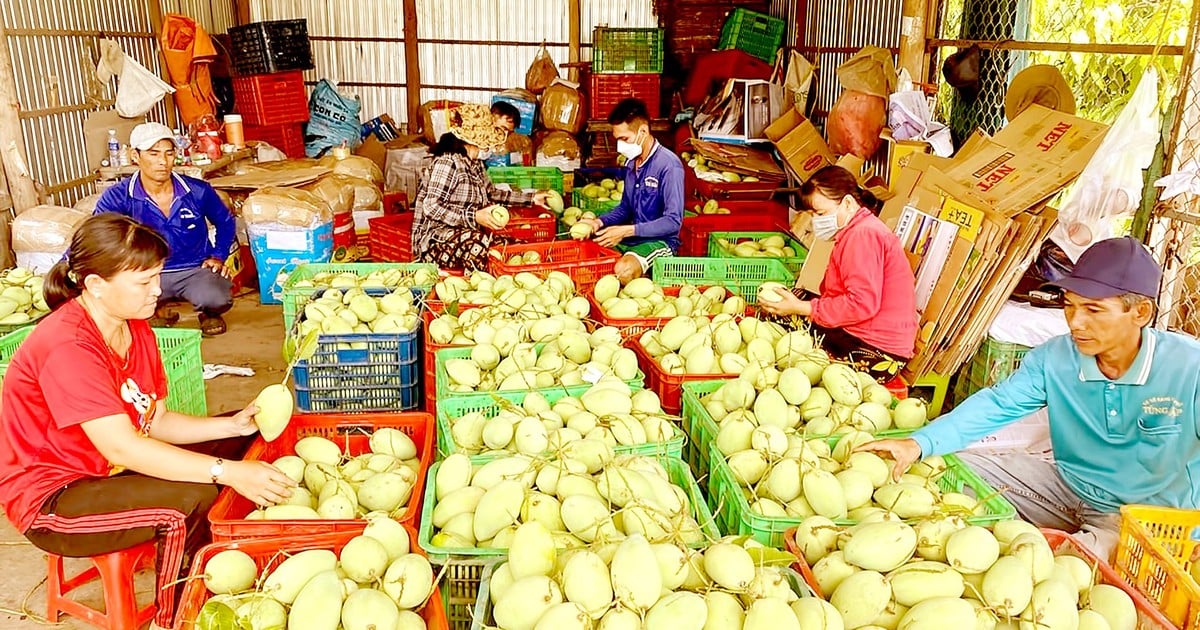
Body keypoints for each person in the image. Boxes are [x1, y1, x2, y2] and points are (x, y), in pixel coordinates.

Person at [0, 213, 295, 630]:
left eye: (157, 277)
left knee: (242, 441)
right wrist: (225, 472)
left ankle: (233, 553)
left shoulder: (136, 328)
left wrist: (232, 428)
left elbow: (152, 420)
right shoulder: (67, 345)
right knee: (190, 503)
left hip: (109, 470)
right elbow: (122, 446)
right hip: (53, 499)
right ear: (96, 286)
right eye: (144, 282)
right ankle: (174, 618)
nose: (157, 290)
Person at [862, 236, 1200, 559]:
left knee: (1074, 564)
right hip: (1065, 486)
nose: (1075, 323)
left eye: (1093, 310)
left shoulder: (1189, 367)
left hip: (1138, 518)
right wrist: (919, 443)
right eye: (1070, 306)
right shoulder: (1056, 358)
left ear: (1140, 313)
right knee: (944, 471)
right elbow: (998, 404)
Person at [757, 165, 917, 381]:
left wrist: (802, 308)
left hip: (878, 354)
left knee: (783, 317)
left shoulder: (863, 236)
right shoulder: (859, 229)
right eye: (813, 214)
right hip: (870, 335)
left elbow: (861, 304)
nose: (816, 221)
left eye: (821, 213)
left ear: (848, 203)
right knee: (797, 299)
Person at [94, 122, 237, 336]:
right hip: (143, 272)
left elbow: (225, 221)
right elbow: (97, 233)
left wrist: (218, 256)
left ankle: (209, 313)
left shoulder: (197, 190)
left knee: (216, 297)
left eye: (169, 154)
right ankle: (155, 311)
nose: (162, 162)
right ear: (135, 156)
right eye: (153, 154)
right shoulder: (119, 195)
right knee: (116, 294)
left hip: (194, 270)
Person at [412, 103, 547, 271]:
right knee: (479, 245)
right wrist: (474, 216)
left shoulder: (476, 164)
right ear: (475, 140)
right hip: (437, 240)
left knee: (511, 247)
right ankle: (474, 290)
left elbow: (492, 193)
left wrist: (532, 198)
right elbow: (431, 206)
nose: (492, 146)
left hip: (467, 234)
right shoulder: (448, 162)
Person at [580, 98, 684, 283]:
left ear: (643, 131)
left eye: (624, 139)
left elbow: (673, 221)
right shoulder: (631, 164)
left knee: (622, 270)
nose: (620, 146)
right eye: (617, 140)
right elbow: (625, 209)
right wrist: (598, 222)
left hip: (660, 242)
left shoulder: (669, 165)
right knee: (584, 251)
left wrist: (627, 231)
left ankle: (645, 277)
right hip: (633, 239)